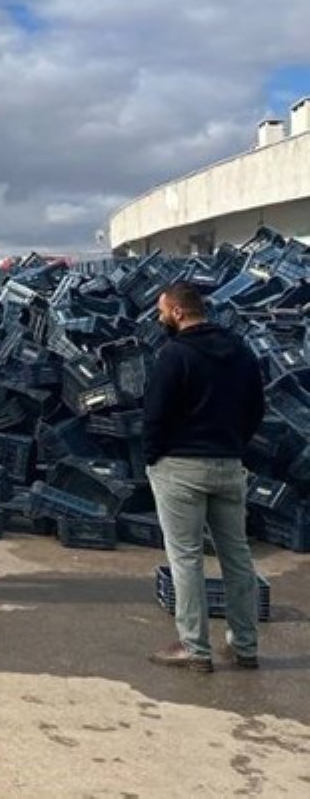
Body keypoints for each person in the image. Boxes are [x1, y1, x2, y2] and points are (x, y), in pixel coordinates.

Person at [144, 283, 265, 673]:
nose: (160, 317)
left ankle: (196, 649)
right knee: (238, 558)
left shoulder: (173, 355)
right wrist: (233, 444)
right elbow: (256, 409)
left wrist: (153, 458)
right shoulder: (242, 353)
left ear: (178, 312)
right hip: (229, 465)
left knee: (186, 558)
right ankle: (245, 647)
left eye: (162, 310)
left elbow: (155, 415)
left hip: (180, 468)